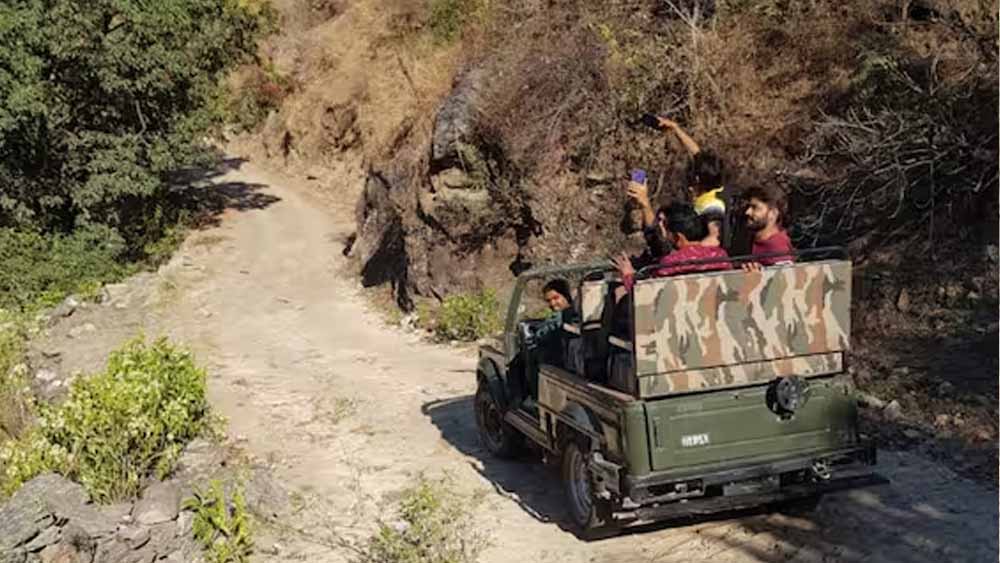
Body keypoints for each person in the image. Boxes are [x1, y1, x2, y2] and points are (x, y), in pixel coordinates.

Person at [612, 204, 731, 291]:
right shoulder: (721, 256)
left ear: (678, 237)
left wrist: (629, 275)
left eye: (665, 226)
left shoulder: (670, 264)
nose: (662, 229)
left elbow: (649, 296)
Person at [742, 185, 795, 271]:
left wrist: (757, 278)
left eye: (755, 207)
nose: (747, 212)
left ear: (773, 213)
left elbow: (784, 278)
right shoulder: (749, 240)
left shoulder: (779, 248)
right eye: (748, 207)